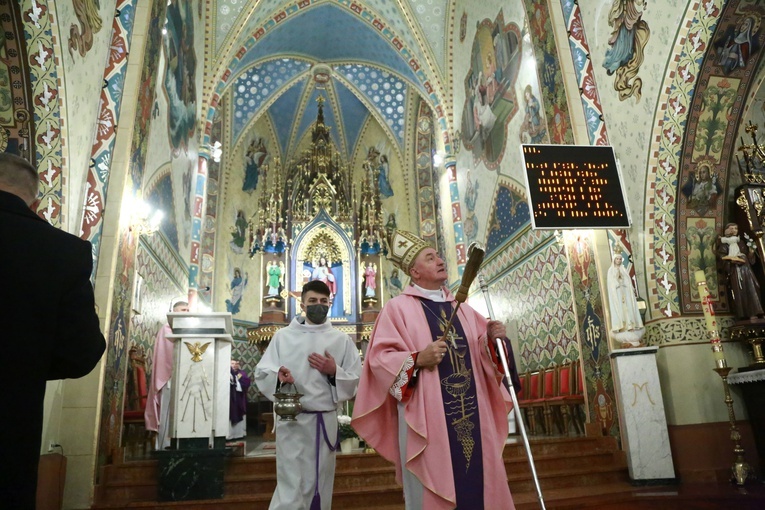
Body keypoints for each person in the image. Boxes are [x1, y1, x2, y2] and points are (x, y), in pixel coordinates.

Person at [352, 229, 520, 509]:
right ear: (415, 273)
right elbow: (379, 360)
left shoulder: (463, 307)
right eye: (430, 258)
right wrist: (417, 359)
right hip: (428, 419)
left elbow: (484, 357)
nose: (440, 260)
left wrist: (492, 339)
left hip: (472, 412)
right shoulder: (397, 309)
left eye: (439, 255)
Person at [0, 152, 106, 507]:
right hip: (10, 428)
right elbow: (83, 353)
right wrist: (26, 363)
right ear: (35, 201)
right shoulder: (63, 251)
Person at [254, 280, 361, 510]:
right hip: (292, 421)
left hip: (325, 422)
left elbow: (356, 381)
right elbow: (262, 373)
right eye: (312, 301)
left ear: (330, 304)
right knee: (291, 483)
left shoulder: (341, 340)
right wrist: (278, 377)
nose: (318, 305)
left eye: (323, 301)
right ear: (302, 304)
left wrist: (334, 372)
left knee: (321, 483)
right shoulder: (283, 337)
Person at [145, 299, 190, 450]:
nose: (187, 313)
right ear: (174, 312)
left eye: (188, 310)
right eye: (184, 310)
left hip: (185, 377)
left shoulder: (187, 329)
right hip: (169, 377)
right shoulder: (167, 328)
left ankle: (181, 443)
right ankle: (165, 445)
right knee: (168, 413)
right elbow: (168, 352)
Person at [717, 223, 764, 319]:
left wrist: (751, 253)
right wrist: (731, 261)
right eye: (731, 228)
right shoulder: (724, 244)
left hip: (746, 269)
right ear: (726, 230)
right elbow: (722, 258)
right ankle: (746, 314)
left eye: (736, 228)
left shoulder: (741, 242)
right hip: (735, 271)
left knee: (754, 287)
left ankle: (758, 311)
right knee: (741, 291)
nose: (734, 230)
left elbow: (750, 258)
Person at [606, 255, 643, 332]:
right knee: (620, 308)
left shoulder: (624, 269)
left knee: (628, 307)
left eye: (620, 259)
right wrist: (617, 282)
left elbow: (628, 281)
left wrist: (624, 282)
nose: (618, 260)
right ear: (614, 260)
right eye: (617, 259)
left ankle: (631, 324)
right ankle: (622, 326)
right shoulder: (611, 270)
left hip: (625, 291)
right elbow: (610, 283)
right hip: (617, 293)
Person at [228, 359, 251, 440]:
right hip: (230, 398)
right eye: (233, 363)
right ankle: (230, 435)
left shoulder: (242, 373)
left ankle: (239, 434)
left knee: (240, 412)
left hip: (239, 397)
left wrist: (238, 380)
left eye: (237, 363)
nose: (235, 365)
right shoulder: (226, 373)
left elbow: (247, 382)